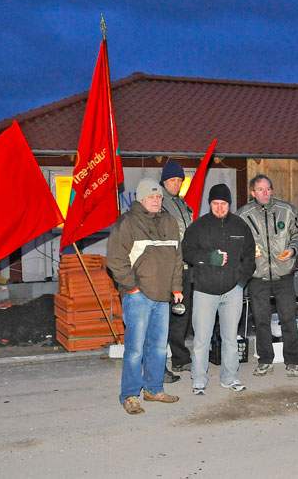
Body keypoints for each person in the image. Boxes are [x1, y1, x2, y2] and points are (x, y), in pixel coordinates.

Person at [107, 178, 184, 415]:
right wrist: (131, 287)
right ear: (141, 199)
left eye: (159, 197)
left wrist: (176, 287)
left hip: (162, 297)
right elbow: (115, 260)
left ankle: (153, 389)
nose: (156, 200)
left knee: (159, 347)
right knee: (135, 349)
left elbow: (176, 259)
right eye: (151, 197)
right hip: (138, 296)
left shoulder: (170, 222)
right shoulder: (128, 223)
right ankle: (130, 395)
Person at [182, 184, 256, 395]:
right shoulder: (198, 227)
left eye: (224, 203)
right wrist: (207, 258)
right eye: (216, 203)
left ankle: (230, 377)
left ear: (229, 204)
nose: (220, 207)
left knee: (230, 338)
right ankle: (198, 380)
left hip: (232, 290)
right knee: (201, 339)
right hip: (205, 291)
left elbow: (250, 257)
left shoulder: (240, 226)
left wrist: (241, 282)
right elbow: (186, 252)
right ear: (210, 204)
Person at [237, 174, 298, 378]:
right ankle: (265, 360)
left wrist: (293, 250)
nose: (265, 193)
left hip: (283, 274)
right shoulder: (243, 214)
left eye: (268, 189)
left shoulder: (287, 210)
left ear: (272, 190)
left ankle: (293, 360)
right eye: (260, 189)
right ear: (253, 193)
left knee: (288, 318)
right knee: (261, 320)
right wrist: (247, 252)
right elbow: (235, 239)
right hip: (257, 276)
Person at [160, 159, 193, 380]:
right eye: (172, 180)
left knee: (182, 315)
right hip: (167, 269)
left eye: (180, 180)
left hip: (186, 267)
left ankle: (180, 358)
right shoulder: (159, 203)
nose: (176, 184)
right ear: (164, 181)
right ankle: (159, 363)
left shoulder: (183, 204)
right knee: (163, 318)